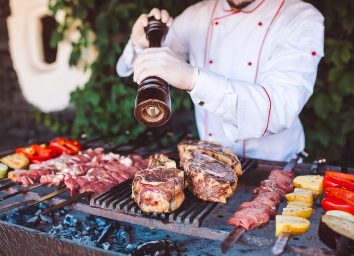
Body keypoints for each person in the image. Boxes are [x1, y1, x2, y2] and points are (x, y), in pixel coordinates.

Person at [117, 0, 324, 161]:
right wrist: (141, 43)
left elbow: (279, 108)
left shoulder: (301, 18)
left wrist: (193, 78)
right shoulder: (197, 14)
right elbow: (151, 64)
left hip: (274, 166)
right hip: (210, 164)